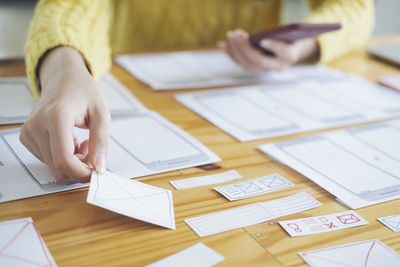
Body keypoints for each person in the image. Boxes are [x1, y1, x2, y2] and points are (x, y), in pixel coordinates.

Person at [22, 0, 374, 183]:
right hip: (136, 86)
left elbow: (357, 9)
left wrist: (302, 45)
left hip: (245, 95)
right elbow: (69, 7)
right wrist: (63, 62)